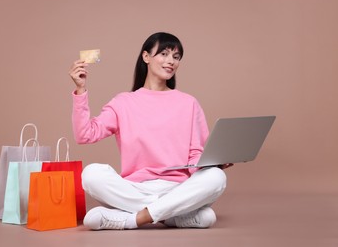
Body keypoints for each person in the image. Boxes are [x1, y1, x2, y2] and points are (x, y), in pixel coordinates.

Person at [68, 32, 232, 230]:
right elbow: (85, 134)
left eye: (176, 56)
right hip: (135, 188)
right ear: (146, 57)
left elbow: (195, 156)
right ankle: (170, 216)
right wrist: (80, 91)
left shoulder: (189, 103)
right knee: (91, 174)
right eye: (164, 54)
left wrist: (213, 163)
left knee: (216, 177)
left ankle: (135, 219)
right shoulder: (123, 103)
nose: (170, 61)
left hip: (178, 188)